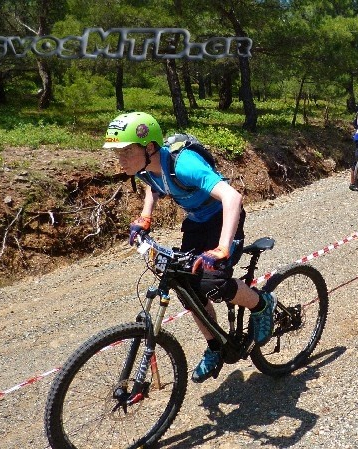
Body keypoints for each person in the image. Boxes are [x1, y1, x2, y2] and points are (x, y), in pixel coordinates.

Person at [103, 111, 276, 384]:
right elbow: (154, 186)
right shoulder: (145, 167)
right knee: (187, 287)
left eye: (126, 151)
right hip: (196, 221)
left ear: (149, 147)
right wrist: (146, 216)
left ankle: (262, 304)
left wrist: (222, 248)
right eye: (118, 152)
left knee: (214, 282)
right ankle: (216, 347)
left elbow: (233, 197)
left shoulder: (184, 164)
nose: (120, 159)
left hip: (223, 217)